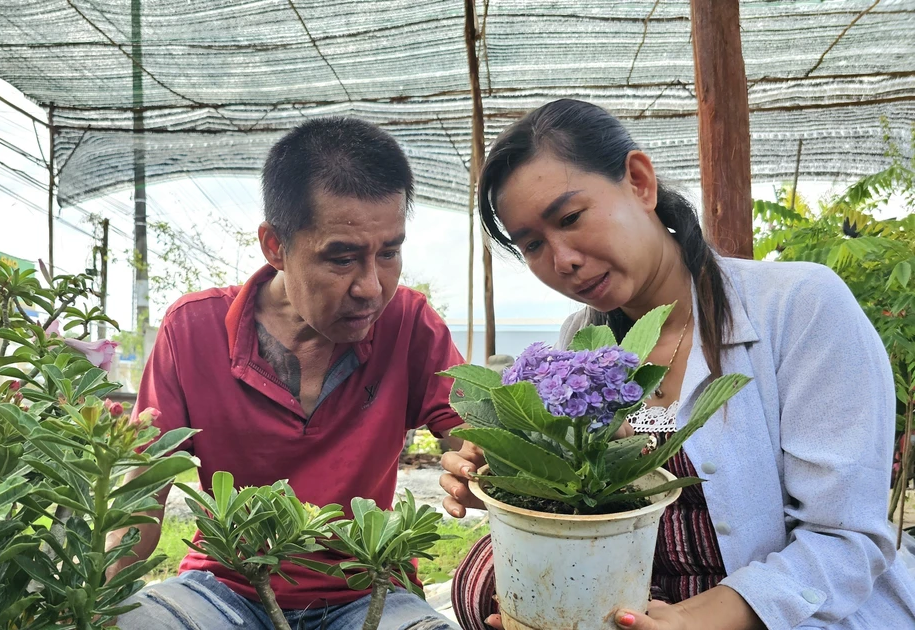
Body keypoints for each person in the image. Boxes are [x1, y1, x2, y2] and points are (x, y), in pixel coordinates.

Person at [439, 99, 915, 630]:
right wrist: (515, 467)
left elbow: (845, 539)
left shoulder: (798, 305)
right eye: (532, 245)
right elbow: (665, 426)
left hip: (774, 610)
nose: (563, 260)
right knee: (485, 584)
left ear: (640, 182)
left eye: (570, 218)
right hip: (644, 595)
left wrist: (691, 621)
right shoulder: (585, 339)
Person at [112, 117, 464, 630]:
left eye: (389, 252)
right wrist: (99, 605)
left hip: (363, 589)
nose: (371, 287)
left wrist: (482, 459)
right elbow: (144, 490)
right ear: (274, 245)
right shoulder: (193, 329)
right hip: (225, 585)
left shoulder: (409, 323)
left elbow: (477, 436)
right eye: (341, 257)